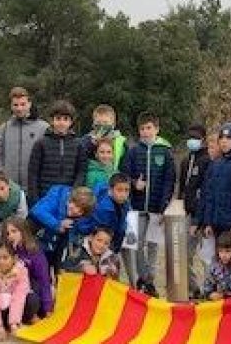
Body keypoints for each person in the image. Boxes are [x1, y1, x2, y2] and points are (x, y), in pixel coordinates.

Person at [119, 111, 176, 295]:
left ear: (156, 129)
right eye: (142, 128)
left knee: (153, 244)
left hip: (156, 208)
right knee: (136, 244)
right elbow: (123, 174)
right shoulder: (133, 151)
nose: (145, 132)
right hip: (136, 208)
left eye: (149, 128)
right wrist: (135, 183)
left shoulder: (165, 152)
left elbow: (169, 180)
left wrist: (164, 204)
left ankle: (149, 279)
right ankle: (142, 279)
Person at [27, 99, 87, 200]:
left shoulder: (78, 144)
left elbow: (81, 171)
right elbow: (33, 174)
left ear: (71, 122)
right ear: (52, 120)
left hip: (68, 197)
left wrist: (74, 191)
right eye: (58, 118)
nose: (61, 123)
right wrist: (35, 199)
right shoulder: (41, 143)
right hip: (45, 196)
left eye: (65, 119)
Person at [178, 125, 212, 297]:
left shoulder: (206, 161)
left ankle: (208, 290)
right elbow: (183, 188)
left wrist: (198, 220)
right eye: (190, 137)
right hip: (187, 212)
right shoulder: (186, 161)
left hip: (201, 217)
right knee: (183, 255)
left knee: (205, 257)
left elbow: (205, 192)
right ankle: (194, 288)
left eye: (196, 138)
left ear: (203, 139)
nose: (192, 141)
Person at [29, 185, 97, 269]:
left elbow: (83, 228)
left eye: (80, 211)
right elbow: (38, 210)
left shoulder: (79, 217)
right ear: (70, 199)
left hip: (54, 244)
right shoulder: (57, 196)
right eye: (75, 206)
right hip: (36, 235)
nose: (75, 211)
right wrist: (58, 224)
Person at [0, 87, 47, 193]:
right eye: (15, 105)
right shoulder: (4, 128)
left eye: (23, 104)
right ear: (11, 106)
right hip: (10, 189)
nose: (19, 108)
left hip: (35, 188)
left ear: (29, 104)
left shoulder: (43, 127)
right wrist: (1, 179)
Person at [4, 217, 53, 318]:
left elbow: (44, 280)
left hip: (29, 289)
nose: (11, 236)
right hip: (7, 289)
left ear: (23, 231)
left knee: (32, 299)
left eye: (14, 231)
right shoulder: (3, 250)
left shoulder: (35, 252)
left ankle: (31, 316)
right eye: (8, 233)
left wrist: (47, 308)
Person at [89, 172, 132, 259]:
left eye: (126, 190)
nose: (123, 194)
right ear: (110, 189)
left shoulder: (125, 204)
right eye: (119, 190)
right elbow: (101, 234)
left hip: (112, 242)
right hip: (97, 245)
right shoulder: (103, 209)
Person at [0, 170, 28, 248]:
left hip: (16, 224)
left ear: (8, 185)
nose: (0, 194)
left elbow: (22, 218)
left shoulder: (19, 194)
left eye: (2, 188)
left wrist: (18, 239)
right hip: (0, 225)